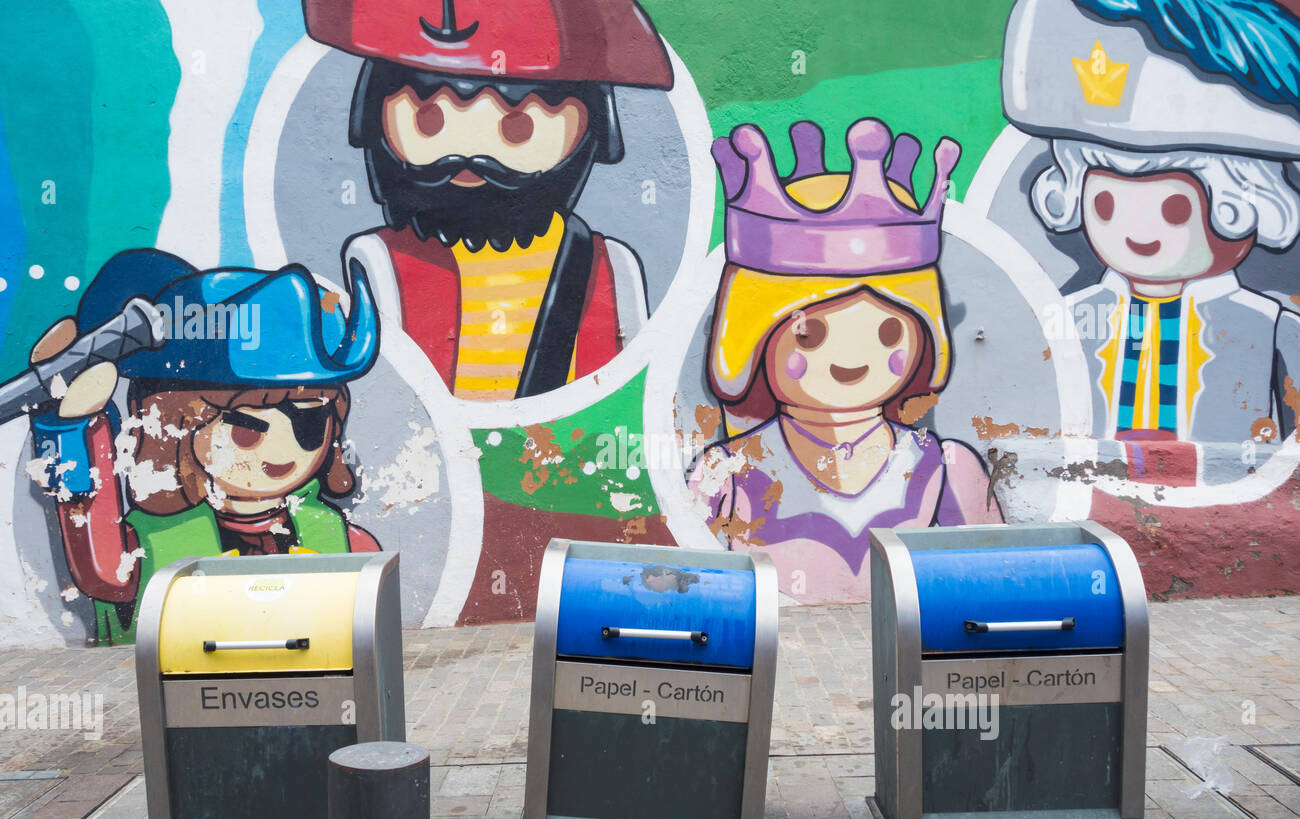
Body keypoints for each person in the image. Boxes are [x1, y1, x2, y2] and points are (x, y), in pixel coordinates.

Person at [690, 119, 1002, 601]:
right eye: (810, 335)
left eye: (887, 331)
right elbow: (695, 602)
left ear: (924, 339)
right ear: (752, 341)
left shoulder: (948, 472)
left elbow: (991, 595)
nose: (852, 357)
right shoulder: (725, 476)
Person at [304, 0, 675, 400]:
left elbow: (637, 387)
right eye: (430, 120)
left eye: (517, 125)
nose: (471, 153)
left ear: (592, 125)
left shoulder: (612, 267)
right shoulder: (377, 260)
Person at [26, 249, 381, 643]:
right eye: (247, 429)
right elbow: (100, 568)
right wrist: (72, 424)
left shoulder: (340, 536)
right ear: (177, 423)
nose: (281, 452)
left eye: (309, 422)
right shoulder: (152, 545)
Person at [1006, 0, 1300, 445]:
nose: (1136, 231)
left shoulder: (1273, 329)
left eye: (1173, 210)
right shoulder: (1067, 320)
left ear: (1242, 201)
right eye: (1105, 204)